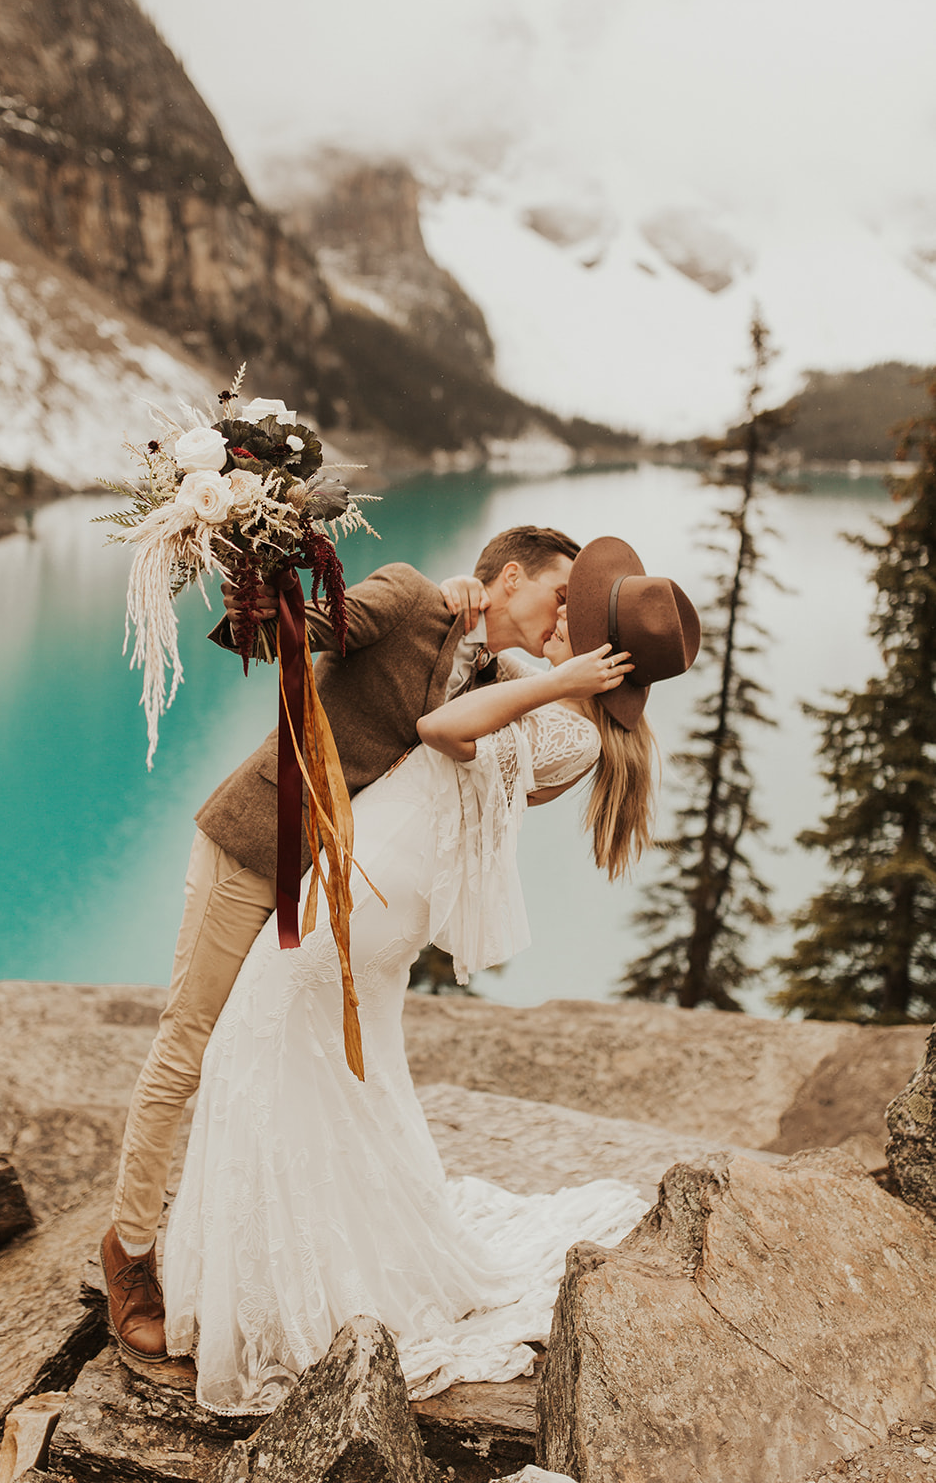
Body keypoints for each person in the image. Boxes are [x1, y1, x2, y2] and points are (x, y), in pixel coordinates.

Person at [160, 536, 701, 1412]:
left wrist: (554, 673)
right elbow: (474, 671)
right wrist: (474, 610)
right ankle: (340, 1263)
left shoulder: (565, 715)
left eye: (576, 614)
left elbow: (438, 728)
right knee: (346, 1070)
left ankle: (297, 1299)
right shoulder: (566, 710)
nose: (559, 617)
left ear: (600, 652)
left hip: (376, 887)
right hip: (384, 882)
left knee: (260, 1048)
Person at [101, 525, 582, 1362]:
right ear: (508, 578)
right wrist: (253, 563)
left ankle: (247, 1255)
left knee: (284, 1063)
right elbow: (284, 634)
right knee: (190, 1046)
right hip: (258, 843)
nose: (561, 616)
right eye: (560, 595)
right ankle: (131, 1254)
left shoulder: (497, 673)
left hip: (330, 889)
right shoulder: (407, 596)